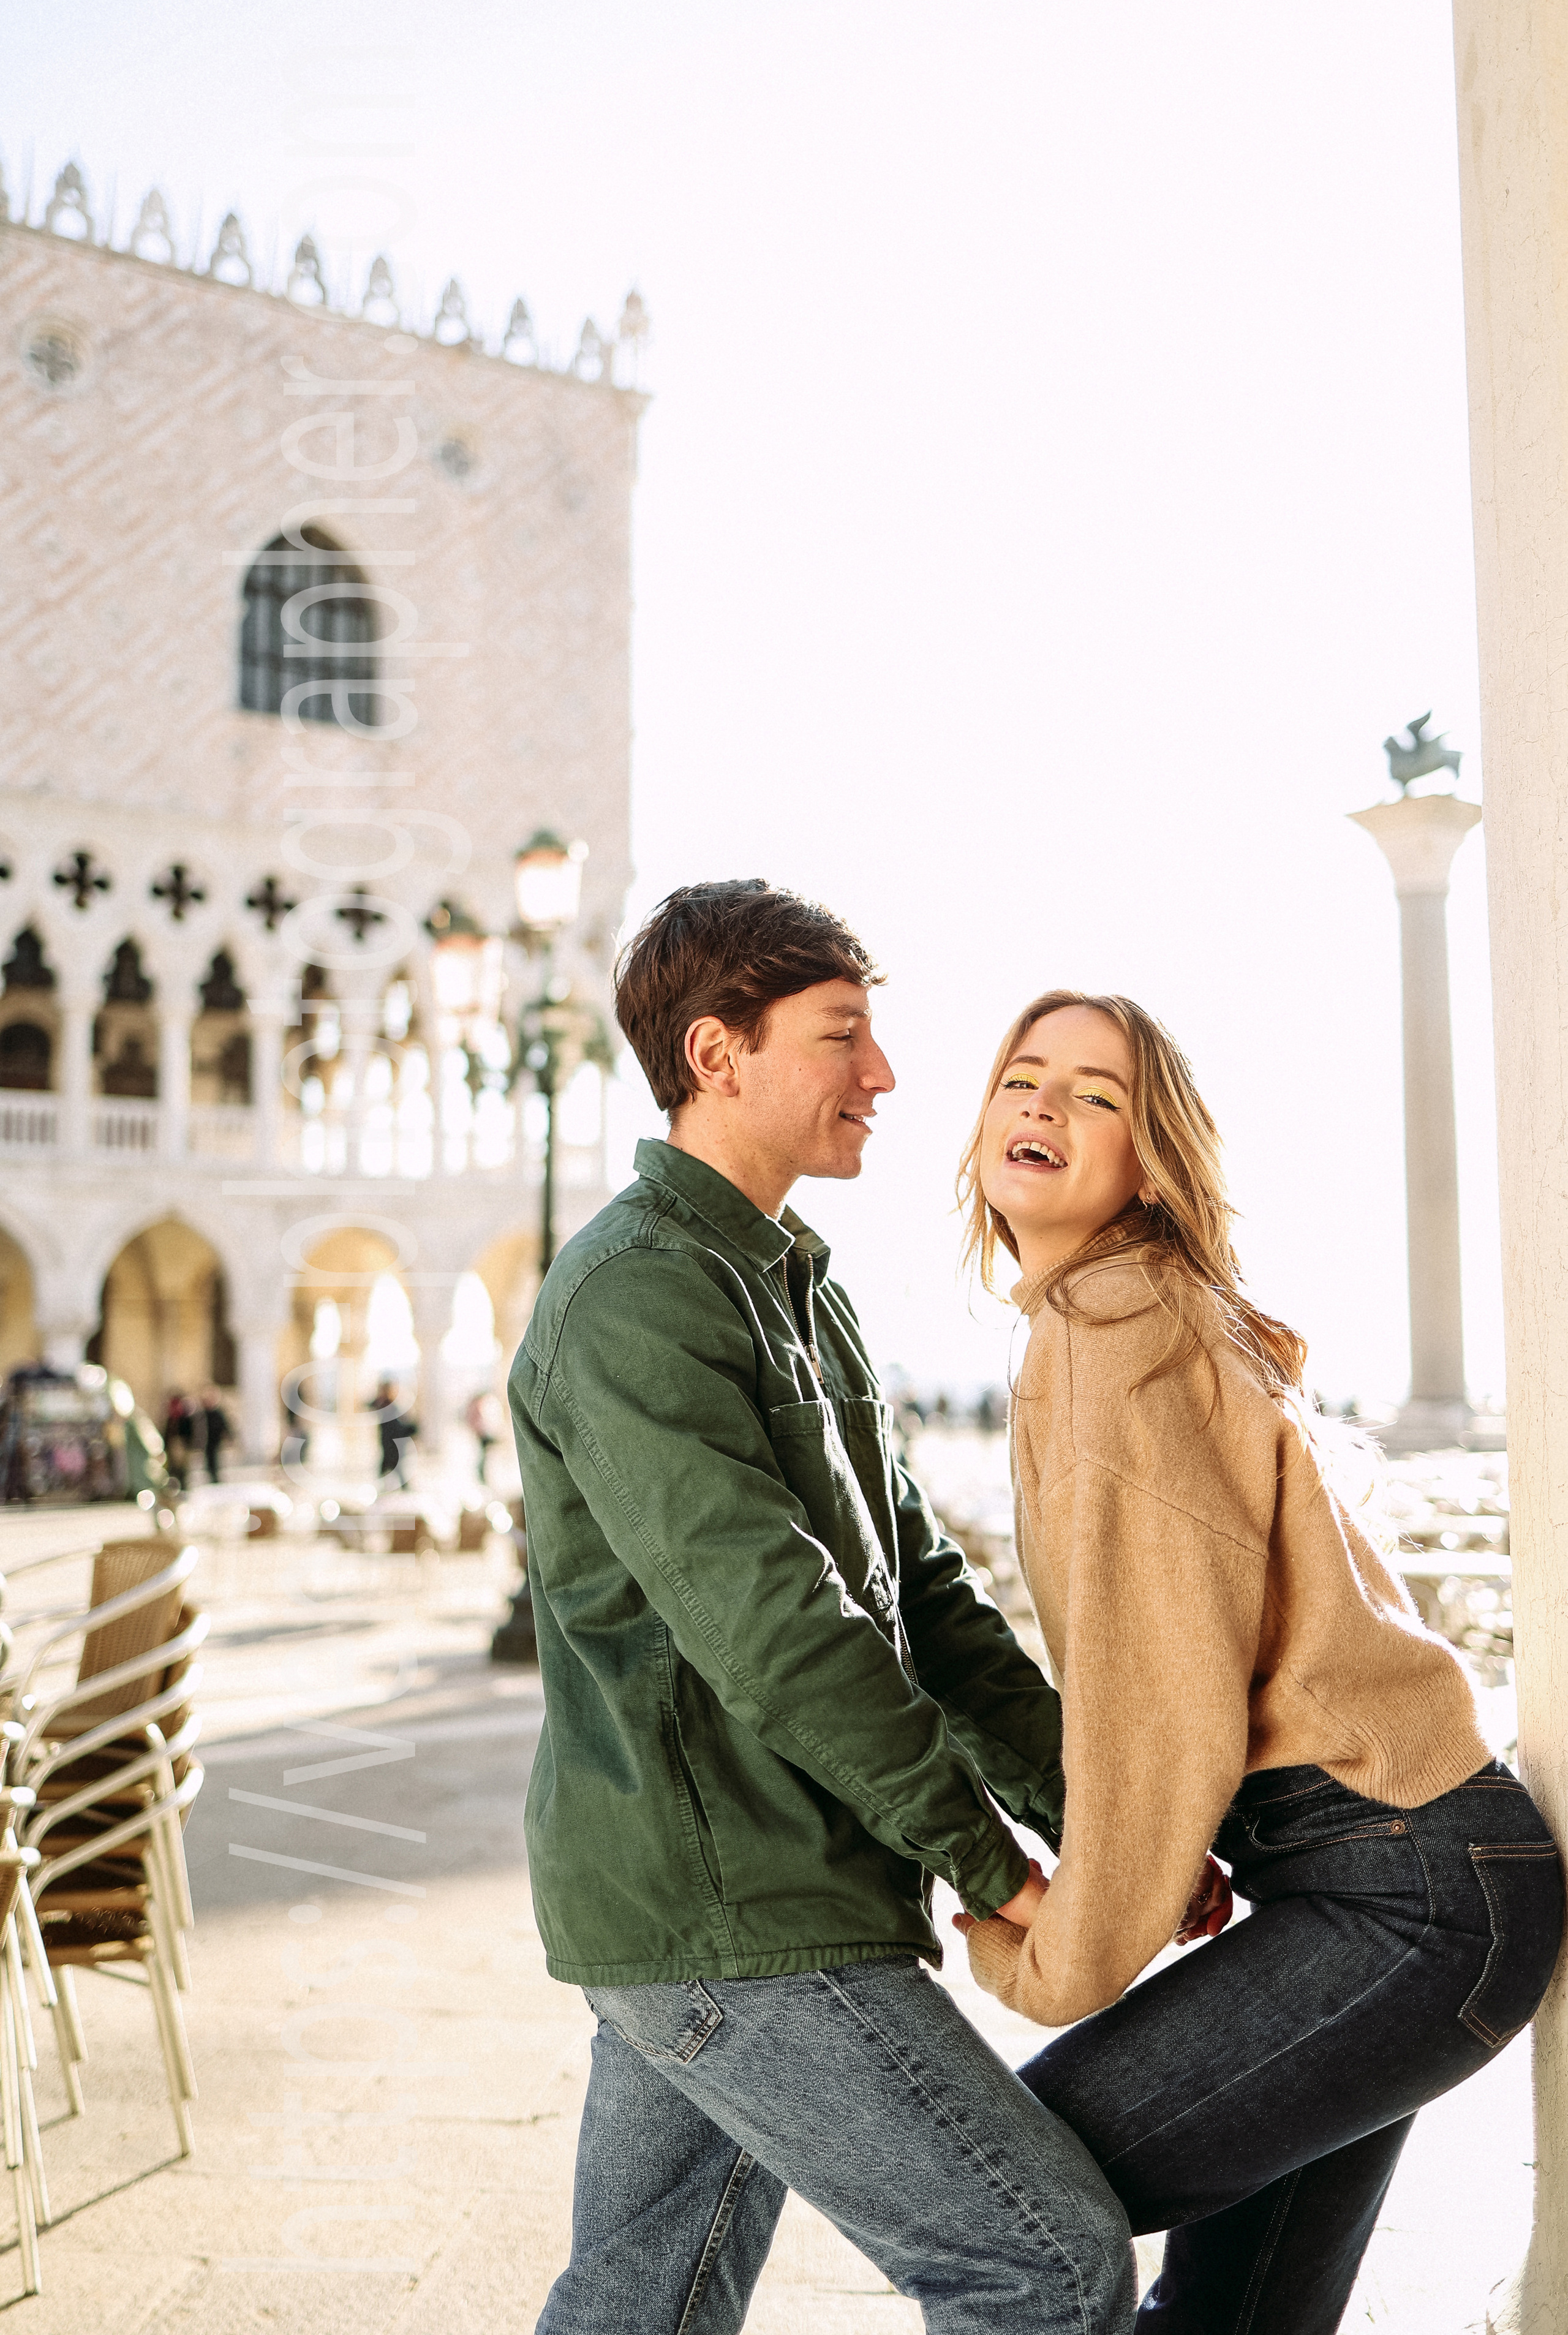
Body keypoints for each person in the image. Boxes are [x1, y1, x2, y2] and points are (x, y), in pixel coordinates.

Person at [512, 885, 1136, 2335]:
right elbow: (779, 1630)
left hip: (737, 1905)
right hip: (733, 1905)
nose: (884, 1074)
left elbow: (927, 1602)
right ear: (715, 1054)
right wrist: (989, 1860)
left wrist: (1104, 1822)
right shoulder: (632, 1296)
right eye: (840, 1035)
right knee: (1043, 2267)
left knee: (641, 2306)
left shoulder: (797, 1287)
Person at [952, 990, 1565, 2334]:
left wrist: (1051, 1957)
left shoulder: (1109, 1333)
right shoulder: (1141, 1315)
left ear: (1148, 1163)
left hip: (1401, 1902)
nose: (1044, 1105)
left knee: (984, 2197)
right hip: (1406, 1886)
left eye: (1097, 1095)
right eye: (1021, 1077)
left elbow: (1160, 1705)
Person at [369, 1379, 416, 1483]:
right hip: (388, 1441)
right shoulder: (384, 1404)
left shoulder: (393, 1406)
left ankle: (388, 1485)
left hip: (392, 1442)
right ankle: (384, 1485)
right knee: (390, 1465)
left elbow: (399, 1425)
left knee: (393, 1465)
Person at [198, 1386, 231, 1484]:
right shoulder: (203, 1413)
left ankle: (215, 1476)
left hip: (215, 1439)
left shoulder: (217, 1413)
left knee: (214, 1458)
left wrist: (228, 1436)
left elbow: (224, 1425)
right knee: (209, 1458)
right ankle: (211, 1475)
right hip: (206, 1440)